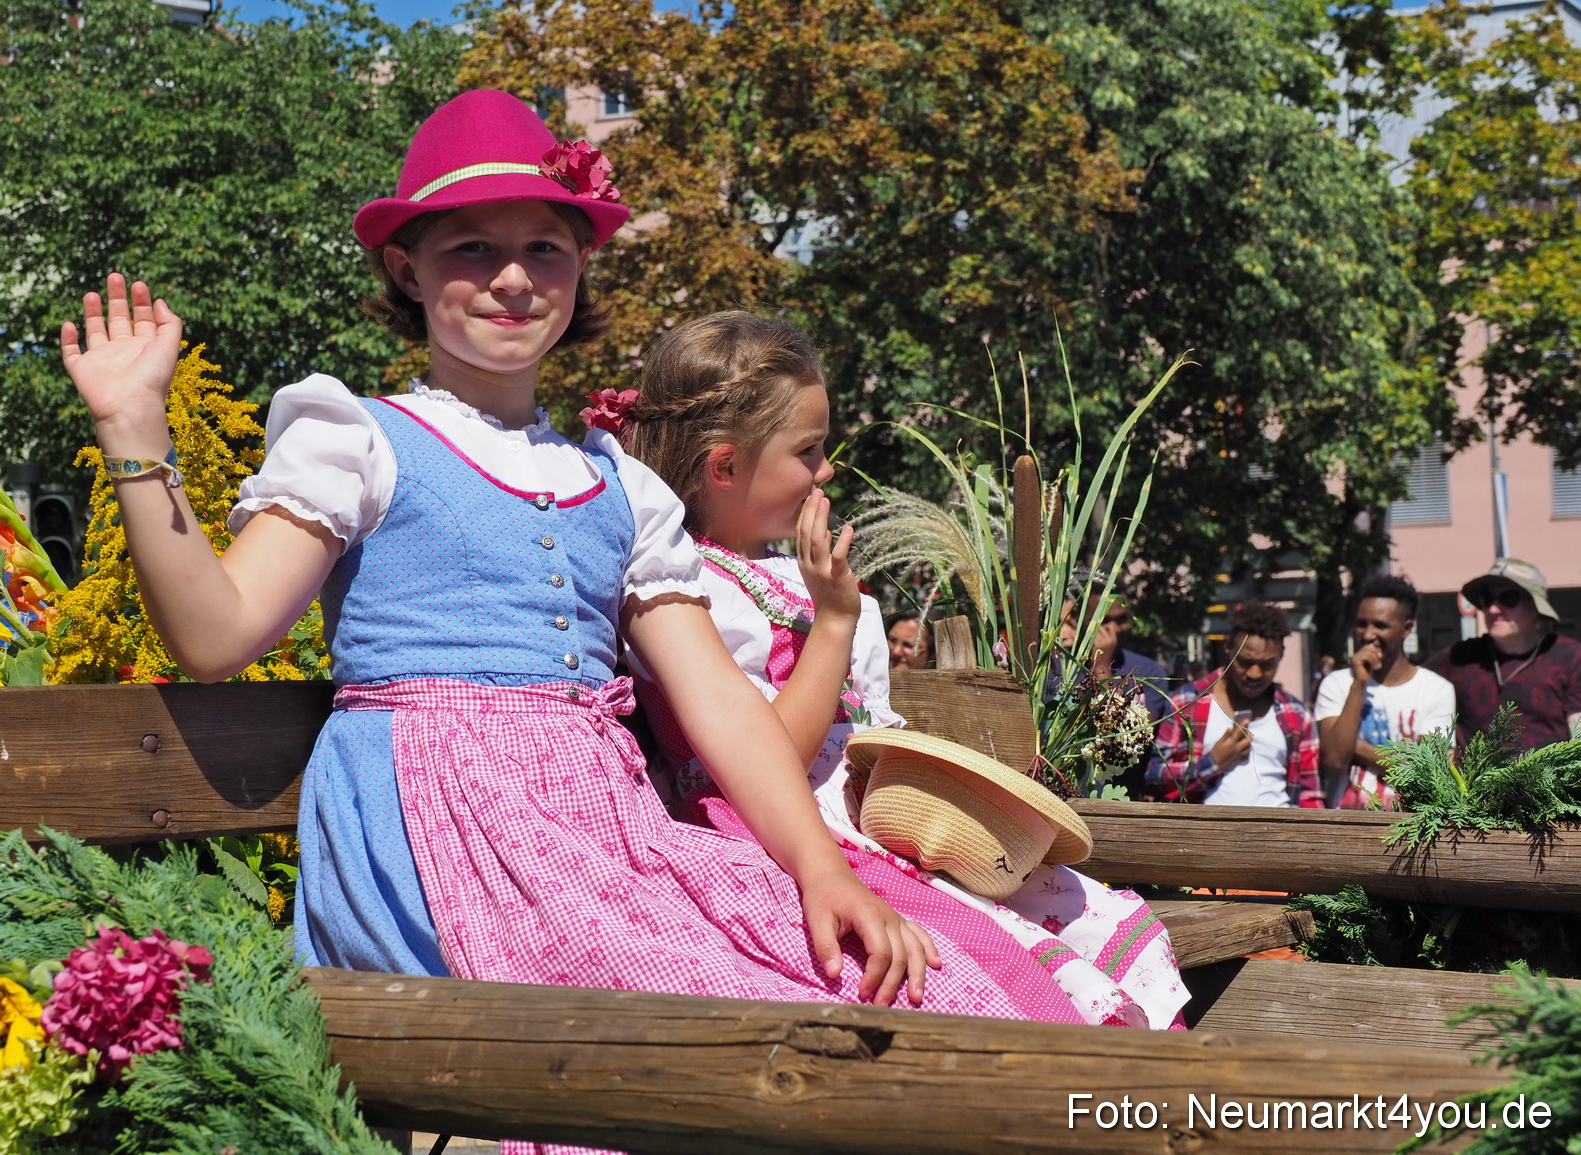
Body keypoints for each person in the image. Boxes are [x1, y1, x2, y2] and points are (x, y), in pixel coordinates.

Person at [57, 90, 1075, 1105]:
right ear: (405, 271)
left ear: (581, 266)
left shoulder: (615, 480)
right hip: (440, 818)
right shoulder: (358, 439)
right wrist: (136, 430)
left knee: (876, 986)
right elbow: (216, 633)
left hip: (603, 827)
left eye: (545, 247)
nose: (511, 278)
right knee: (694, 1042)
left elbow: (717, 699)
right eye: (469, 249)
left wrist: (819, 868)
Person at [626, 310, 1188, 1030]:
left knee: (1096, 914)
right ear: (726, 465)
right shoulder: (689, 593)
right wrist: (832, 621)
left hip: (876, 815)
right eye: (808, 450)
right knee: (990, 956)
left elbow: (867, 727)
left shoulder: (797, 577)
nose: (826, 470)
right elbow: (765, 758)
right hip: (783, 833)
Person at [1147, 602, 1324, 807]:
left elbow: (1311, 797)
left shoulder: (1297, 715)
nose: (1254, 674)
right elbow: (1152, 777)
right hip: (1203, 837)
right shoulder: (1185, 703)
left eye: (1266, 664)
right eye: (1245, 662)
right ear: (1228, 647)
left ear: (1281, 654)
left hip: (1278, 837)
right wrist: (1212, 763)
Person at [1314, 574, 1456, 808]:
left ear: (1406, 628)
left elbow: (1427, 772)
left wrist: (1355, 746)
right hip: (1345, 827)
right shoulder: (1336, 684)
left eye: (1380, 626)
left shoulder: (1436, 689)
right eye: (1362, 624)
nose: (1368, 635)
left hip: (1411, 825)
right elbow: (1335, 759)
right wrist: (1359, 683)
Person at [1427, 558, 1581, 752]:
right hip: (1473, 782)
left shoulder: (1570, 657)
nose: (1492, 609)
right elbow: (1412, 685)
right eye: (1487, 599)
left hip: (1550, 781)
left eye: (1508, 598)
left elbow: (1578, 731)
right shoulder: (1460, 657)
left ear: (1535, 607)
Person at [1051, 565, 1171, 800]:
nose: (1115, 630)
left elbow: (1126, 738)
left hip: (1120, 804)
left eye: (1122, 619)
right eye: (1104, 621)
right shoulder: (1056, 669)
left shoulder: (1148, 672)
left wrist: (1101, 669)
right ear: (1075, 620)